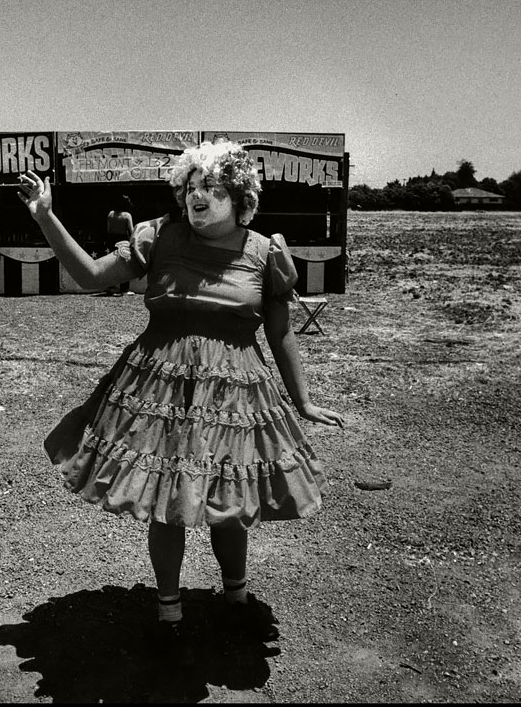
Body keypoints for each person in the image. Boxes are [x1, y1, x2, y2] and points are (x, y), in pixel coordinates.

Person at [17, 140, 344, 655]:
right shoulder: (161, 238)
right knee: (167, 503)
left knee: (230, 503)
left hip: (236, 397)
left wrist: (301, 401)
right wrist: (46, 217)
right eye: (191, 187)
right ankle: (169, 610)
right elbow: (88, 276)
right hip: (158, 392)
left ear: (239, 199)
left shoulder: (265, 253)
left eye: (211, 188)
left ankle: (235, 597)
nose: (197, 196)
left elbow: (281, 333)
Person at [104, 195, 134, 295]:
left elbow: (108, 229)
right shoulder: (127, 215)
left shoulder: (110, 214)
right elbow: (131, 230)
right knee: (125, 264)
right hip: (123, 239)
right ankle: (124, 288)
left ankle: (111, 286)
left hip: (112, 239)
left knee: (112, 264)